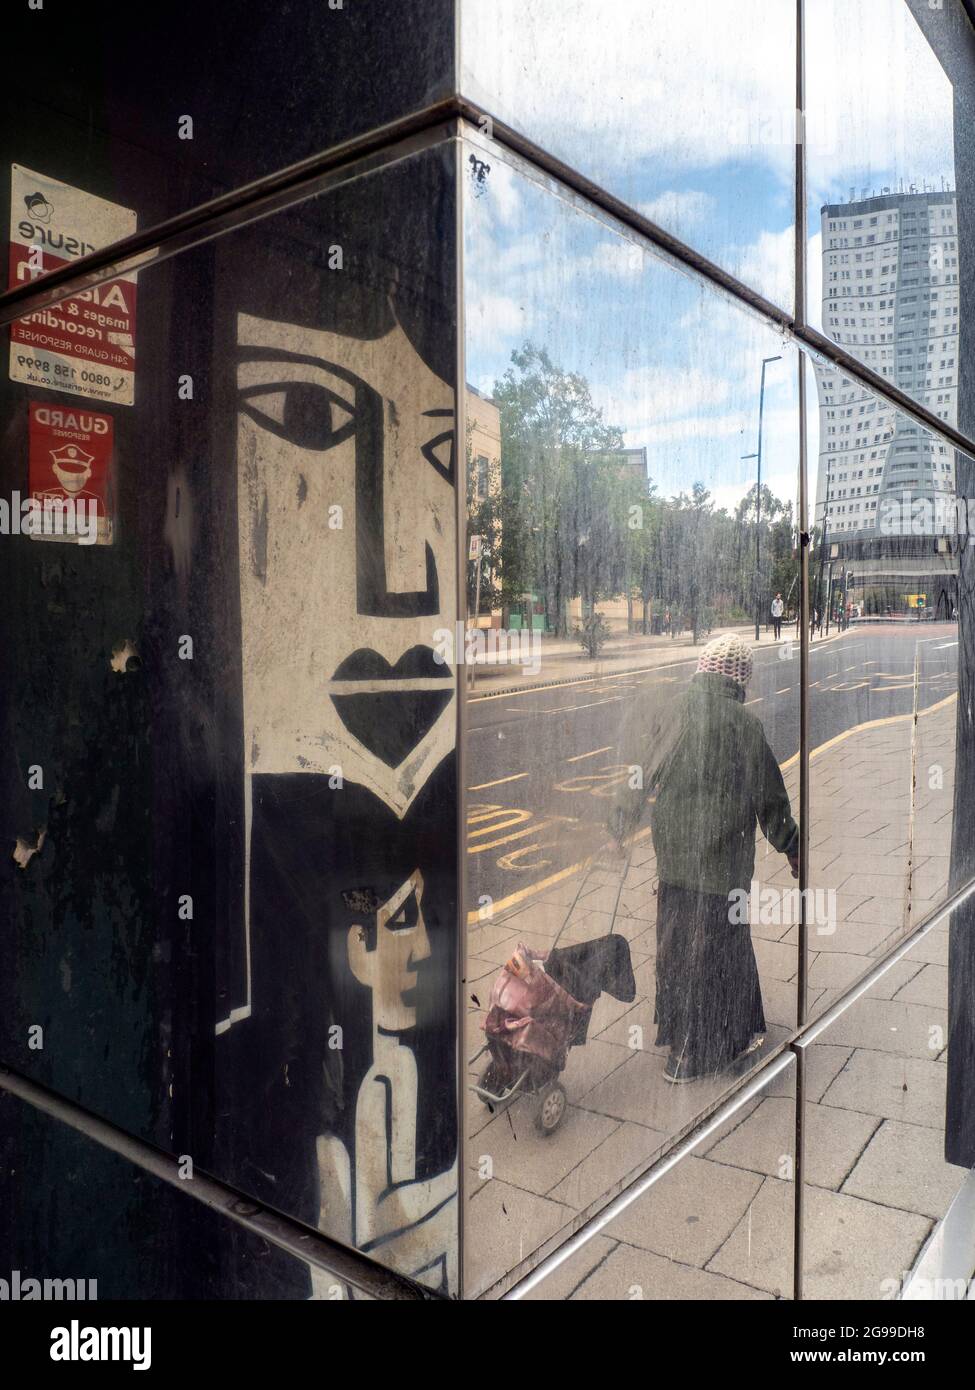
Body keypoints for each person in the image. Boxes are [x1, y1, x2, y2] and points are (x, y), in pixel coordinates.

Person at [612, 633, 798, 1085]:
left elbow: (641, 773)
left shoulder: (672, 712)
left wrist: (620, 822)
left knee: (676, 951)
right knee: (723, 951)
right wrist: (792, 847)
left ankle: (680, 1047)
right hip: (724, 867)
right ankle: (710, 1047)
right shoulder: (744, 726)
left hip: (674, 862)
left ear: (703, 667)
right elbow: (770, 800)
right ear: (738, 677)